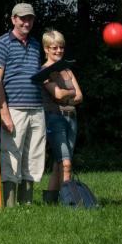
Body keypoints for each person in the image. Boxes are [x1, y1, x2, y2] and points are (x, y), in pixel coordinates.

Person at [0, 3, 45, 206]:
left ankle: (27, 203)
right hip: (14, 108)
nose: (26, 22)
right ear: (13, 19)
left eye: (30, 18)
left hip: (37, 107)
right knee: (11, 155)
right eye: (22, 18)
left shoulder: (35, 44)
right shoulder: (2, 43)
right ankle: (10, 204)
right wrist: (4, 113)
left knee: (34, 155)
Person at [39, 29, 83, 204]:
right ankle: (70, 201)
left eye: (61, 47)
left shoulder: (67, 71)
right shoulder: (43, 72)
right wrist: (70, 92)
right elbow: (57, 95)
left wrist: (68, 95)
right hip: (54, 118)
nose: (58, 51)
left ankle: (50, 201)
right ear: (46, 49)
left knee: (60, 163)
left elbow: (80, 96)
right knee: (66, 164)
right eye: (54, 48)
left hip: (71, 118)